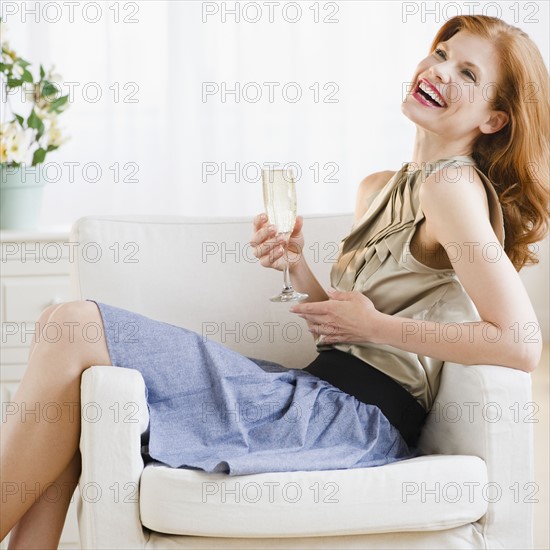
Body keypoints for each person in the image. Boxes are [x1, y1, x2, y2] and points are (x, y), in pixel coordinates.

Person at [1, 14, 548, 548]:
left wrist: (377, 326)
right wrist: (296, 267)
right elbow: (345, 336)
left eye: (469, 75)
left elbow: (520, 344)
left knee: (70, 325)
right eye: (442, 53)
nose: (441, 70)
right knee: (73, 372)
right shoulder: (379, 187)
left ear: (494, 120)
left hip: (350, 421)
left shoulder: (450, 186)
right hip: (317, 392)